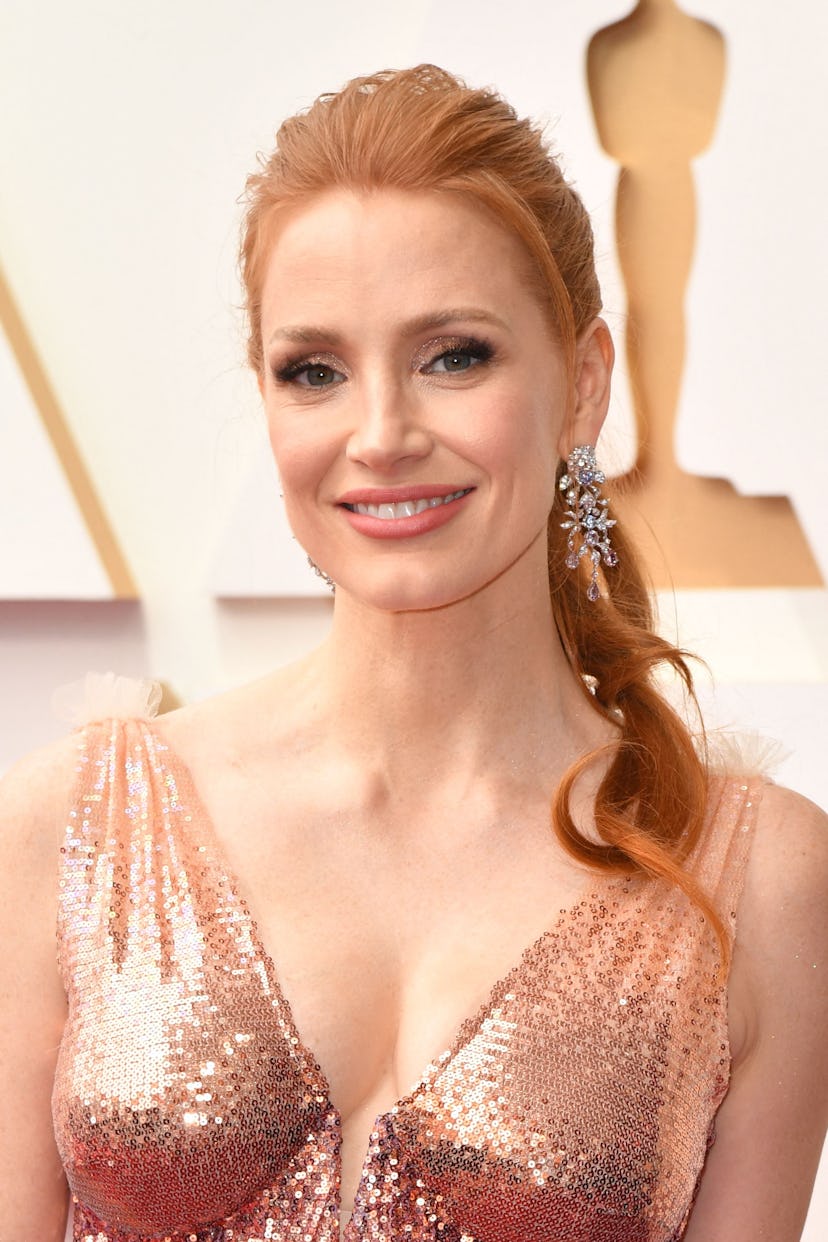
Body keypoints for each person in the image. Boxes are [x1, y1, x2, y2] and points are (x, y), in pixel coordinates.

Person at [1, 64, 826, 1242]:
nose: (380, 434)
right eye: (315, 372)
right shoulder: (70, 831)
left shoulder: (757, 882)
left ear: (582, 385)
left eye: (454, 356)